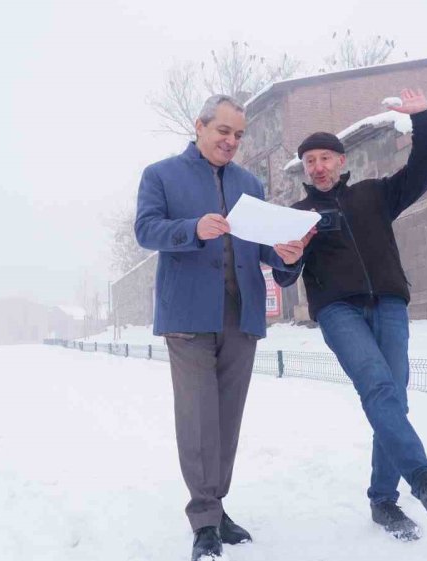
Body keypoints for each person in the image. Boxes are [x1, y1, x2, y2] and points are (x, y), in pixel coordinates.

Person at [276, 89, 427, 541]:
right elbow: (284, 274)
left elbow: (424, 169)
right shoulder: (296, 215)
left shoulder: (375, 195)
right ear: (305, 171)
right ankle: (426, 481)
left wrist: (423, 118)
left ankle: (383, 500)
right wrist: (287, 256)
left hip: (388, 303)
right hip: (338, 310)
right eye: (310, 162)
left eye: (326, 158)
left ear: (342, 161)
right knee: (378, 387)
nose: (318, 167)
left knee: (393, 400)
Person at [135, 94, 306, 561]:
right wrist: (192, 229)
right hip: (188, 316)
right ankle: (204, 518)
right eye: (223, 131)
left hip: (241, 315)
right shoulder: (161, 175)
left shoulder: (250, 183)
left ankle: (217, 505)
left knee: (227, 419)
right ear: (200, 126)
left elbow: (264, 246)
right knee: (197, 419)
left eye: (238, 134)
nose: (231, 141)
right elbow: (146, 230)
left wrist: (288, 256)